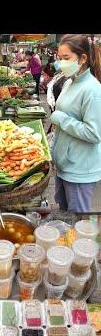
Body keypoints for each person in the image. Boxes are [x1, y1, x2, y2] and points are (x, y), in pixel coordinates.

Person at [50, 34, 101, 213]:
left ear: (83, 58)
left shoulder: (93, 90)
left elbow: (94, 134)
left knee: (78, 223)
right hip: (64, 165)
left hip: (79, 170)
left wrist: (62, 119)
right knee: (66, 217)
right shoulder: (69, 82)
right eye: (59, 58)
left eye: (66, 58)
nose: (61, 63)